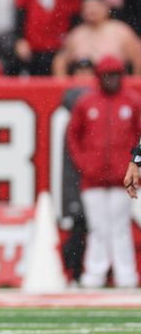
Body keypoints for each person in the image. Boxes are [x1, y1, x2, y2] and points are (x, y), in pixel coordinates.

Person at [67, 55, 140, 288]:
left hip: (123, 178)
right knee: (98, 227)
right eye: (107, 75)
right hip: (93, 179)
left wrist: (134, 165)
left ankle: (125, 274)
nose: (111, 80)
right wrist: (85, 164)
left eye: (115, 75)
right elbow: (73, 138)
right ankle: (95, 273)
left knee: (119, 227)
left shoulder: (132, 102)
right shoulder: (86, 103)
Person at [60, 58, 95, 284]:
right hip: (85, 175)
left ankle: (93, 272)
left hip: (99, 176)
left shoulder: (102, 104)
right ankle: (76, 271)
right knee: (81, 225)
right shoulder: (83, 105)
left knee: (102, 229)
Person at [52, 0, 141, 76]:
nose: (92, 10)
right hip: (82, 87)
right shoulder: (77, 34)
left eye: (96, 6)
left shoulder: (121, 30)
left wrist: (134, 84)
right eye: (87, 7)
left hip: (112, 86)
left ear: (106, 7)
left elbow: (138, 57)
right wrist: (63, 85)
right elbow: (60, 62)